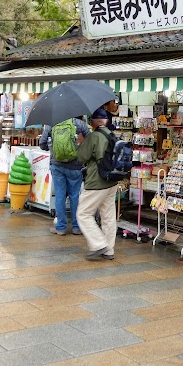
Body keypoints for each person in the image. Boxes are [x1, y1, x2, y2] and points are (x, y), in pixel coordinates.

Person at [75, 108, 120, 260]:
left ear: (93, 122)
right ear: (106, 121)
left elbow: (82, 157)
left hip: (97, 181)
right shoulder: (112, 134)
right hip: (112, 181)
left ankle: (99, 244)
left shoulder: (94, 136)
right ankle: (109, 250)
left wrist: (81, 143)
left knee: (83, 213)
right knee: (108, 216)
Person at [39, 117, 90, 236]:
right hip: (76, 166)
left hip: (57, 165)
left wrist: (53, 148)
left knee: (60, 195)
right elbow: (91, 142)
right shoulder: (80, 124)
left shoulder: (51, 124)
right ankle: (77, 227)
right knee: (75, 196)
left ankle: (61, 227)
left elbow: (42, 144)